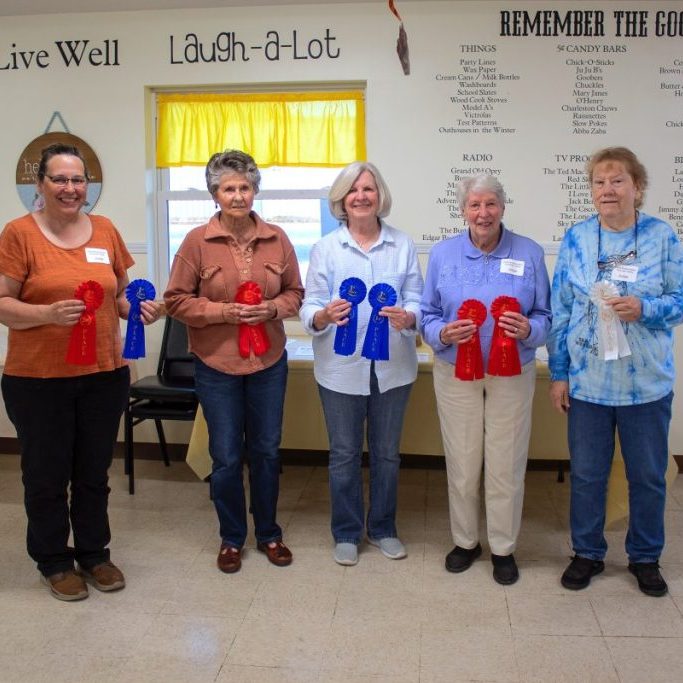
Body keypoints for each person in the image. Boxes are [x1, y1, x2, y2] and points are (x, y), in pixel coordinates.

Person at [0, 143, 161, 601]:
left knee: (93, 471)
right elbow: (3, 304)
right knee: (47, 475)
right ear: (41, 184)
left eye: (77, 180)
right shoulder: (18, 234)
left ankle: (94, 553)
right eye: (60, 179)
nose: (71, 189)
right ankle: (53, 560)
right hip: (38, 380)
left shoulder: (105, 229)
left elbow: (121, 295)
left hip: (103, 374)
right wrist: (47, 314)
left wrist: (140, 309)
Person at [548, 147, 683, 597]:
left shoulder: (662, 237)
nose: (607, 189)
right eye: (599, 182)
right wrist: (560, 374)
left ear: (637, 188)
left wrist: (646, 308)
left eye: (617, 180)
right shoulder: (577, 238)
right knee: (588, 474)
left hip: (645, 385)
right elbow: (561, 310)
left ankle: (645, 557)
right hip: (589, 383)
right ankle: (587, 552)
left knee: (647, 475)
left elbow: (680, 300)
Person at [164, 149, 303, 574]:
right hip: (216, 365)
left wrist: (272, 309)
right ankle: (230, 538)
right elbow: (175, 301)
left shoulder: (277, 238)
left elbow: (296, 293)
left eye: (245, 187)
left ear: (255, 190)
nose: (238, 195)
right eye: (229, 188)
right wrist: (222, 312)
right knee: (225, 456)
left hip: (268, 363)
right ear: (215, 194)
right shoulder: (196, 241)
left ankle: (269, 533)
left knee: (265, 451)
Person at [420, 174, 551, 585]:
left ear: (503, 207)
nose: (483, 213)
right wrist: (441, 333)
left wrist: (529, 331)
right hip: (455, 371)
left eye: (490, 204)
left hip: (513, 374)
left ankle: (503, 547)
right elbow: (426, 315)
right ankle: (465, 541)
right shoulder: (442, 254)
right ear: (462, 211)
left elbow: (546, 316)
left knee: (505, 463)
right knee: (462, 462)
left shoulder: (529, 252)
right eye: (474, 205)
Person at [300, 161, 423, 566]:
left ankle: (384, 528)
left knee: (387, 454)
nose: (361, 196)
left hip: (394, 368)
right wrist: (319, 317)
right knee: (344, 454)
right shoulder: (325, 248)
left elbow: (415, 297)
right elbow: (311, 303)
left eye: (368, 188)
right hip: (339, 368)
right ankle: (347, 532)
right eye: (353, 190)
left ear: (379, 196)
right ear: (341, 199)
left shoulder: (402, 244)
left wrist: (410, 318)